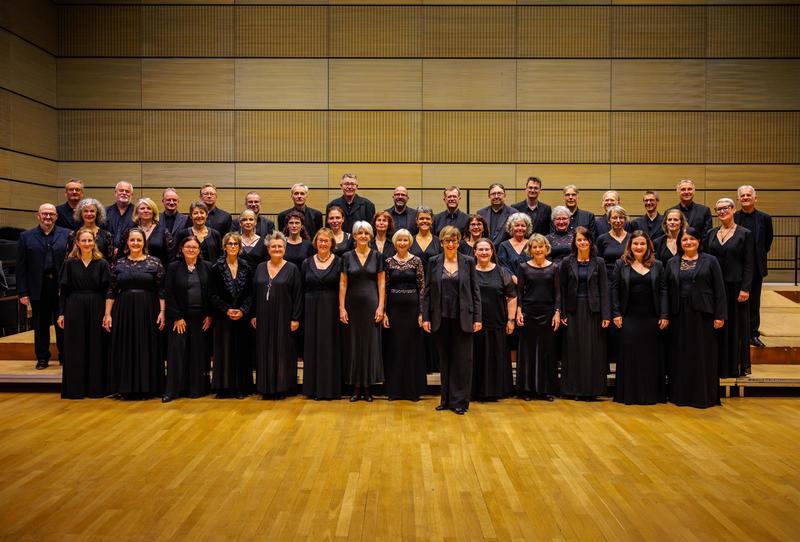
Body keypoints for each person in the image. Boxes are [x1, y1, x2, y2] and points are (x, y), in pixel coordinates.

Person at [423, 226, 482, 415]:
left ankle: (460, 402)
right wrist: (425, 317)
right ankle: (445, 399)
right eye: (447, 241)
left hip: (463, 318)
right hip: (440, 318)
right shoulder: (433, 262)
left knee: (462, 361)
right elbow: (427, 292)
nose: (450, 244)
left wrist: (478, 318)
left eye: (454, 240)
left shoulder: (468, 261)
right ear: (441, 243)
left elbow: (475, 292)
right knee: (445, 360)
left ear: (458, 242)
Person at [665, 227, 726, 408]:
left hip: (703, 315)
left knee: (702, 354)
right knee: (680, 354)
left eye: (692, 239)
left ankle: (703, 396)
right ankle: (680, 396)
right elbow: (666, 290)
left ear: (699, 241)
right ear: (680, 243)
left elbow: (720, 290)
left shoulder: (711, 261)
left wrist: (720, 315)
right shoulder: (672, 262)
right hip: (679, 315)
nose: (688, 242)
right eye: (684, 240)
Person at [104, 227, 166, 399]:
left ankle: (148, 387)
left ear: (144, 242)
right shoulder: (119, 263)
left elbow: (162, 290)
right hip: (123, 310)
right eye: (132, 240)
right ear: (127, 242)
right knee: (126, 346)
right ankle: (125, 387)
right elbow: (111, 290)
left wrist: (162, 312)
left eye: (139, 240)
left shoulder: (155, 262)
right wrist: (107, 314)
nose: (136, 243)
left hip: (149, 308)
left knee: (147, 346)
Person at [610, 232, 669, 405]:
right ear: (630, 245)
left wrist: (664, 314)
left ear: (648, 246)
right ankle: (629, 394)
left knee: (650, 356)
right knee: (629, 355)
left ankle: (651, 394)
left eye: (642, 244)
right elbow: (614, 290)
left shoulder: (657, 265)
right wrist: (616, 313)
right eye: (635, 243)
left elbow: (664, 290)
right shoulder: (621, 264)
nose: (639, 247)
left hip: (652, 318)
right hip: (629, 317)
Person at [57, 227, 111, 398]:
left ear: (94, 242)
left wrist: (107, 313)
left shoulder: (102, 263)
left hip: (97, 305)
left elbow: (108, 290)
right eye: (84, 241)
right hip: (74, 306)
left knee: (96, 346)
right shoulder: (69, 263)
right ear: (77, 243)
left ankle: (96, 389)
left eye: (90, 240)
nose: (87, 244)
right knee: (75, 346)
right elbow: (63, 290)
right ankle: (75, 389)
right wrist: (61, 313)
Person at [17, 204, 70, 369]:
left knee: (62, 323)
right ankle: (42, 357)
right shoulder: (26, 236)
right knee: (40, 324)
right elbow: (21, 266)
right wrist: (23, 292)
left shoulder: (67, 234)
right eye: (45, 214)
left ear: (56, 216)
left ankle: (64, 356)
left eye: (51, 214)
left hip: (60, 285)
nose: (48, 217)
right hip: (38, 286)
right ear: (38, 216)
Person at [705, 198, 754, 378]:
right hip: (715, 289)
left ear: (733, 209)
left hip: (736, 288)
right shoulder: (711, 233)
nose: (722, 212)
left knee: (735, 327)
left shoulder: (745, 234)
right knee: (718, 326)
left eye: (725, 208)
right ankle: (717, 366)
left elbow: (750, 263)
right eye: (719, 209)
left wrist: (746, 288)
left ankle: (733, 366)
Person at [559, 226, 610, 400]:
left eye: (585, 239)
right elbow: (562, 289)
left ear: (590, 241)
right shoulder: (567, 262)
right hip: (573, 311)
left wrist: (606, 315)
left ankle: (592, 389)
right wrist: (563, 313)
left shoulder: (599, 262)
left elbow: (604, 289)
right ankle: (573, 389)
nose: (582, 242)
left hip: (593, 311)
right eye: (578, 240)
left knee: (592, 349)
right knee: (574, 349)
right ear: (575, 242)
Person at [163, 236, 213, 403]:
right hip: (179, 318)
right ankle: (173, 390)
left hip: (200, 318)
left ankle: (196, 389)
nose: (191, 249)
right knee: (177, 353)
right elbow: (168, 293)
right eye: (188, 247)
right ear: (182, 249)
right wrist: (177, 317)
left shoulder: (207, 267)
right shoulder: (173, 267)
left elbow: (211, 293)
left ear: (199, 250)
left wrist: (209, 315)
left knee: (197, 354)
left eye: (194, 247)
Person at [252, 233, 302, 399]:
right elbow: (253, 293)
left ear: (285, 249)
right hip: (263, 315)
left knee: (282, 351)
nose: (277, 249)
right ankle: (265, 388)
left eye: (280, 246)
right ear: (268, 249)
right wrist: (253, 314)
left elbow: (298, 296)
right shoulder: (260, 267)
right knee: (264, 350)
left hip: (284, 316)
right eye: (273, 246)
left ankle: (282, 388)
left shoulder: (292, 268)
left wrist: (295, 318)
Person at [339, 221, 385, 402]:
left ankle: (368, 387)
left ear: (370, 236)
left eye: (366, 233)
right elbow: (343, 283)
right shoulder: (346, 256)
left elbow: (381, 283)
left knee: (370, 345)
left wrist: (381, 306)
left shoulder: (377, 256)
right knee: (354, 345)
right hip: (352, 306)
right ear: (355, 236)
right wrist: (341, 307)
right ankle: (356, 387)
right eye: (360, 233)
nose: (363, 236)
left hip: (371, 305)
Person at [382, 229, 427, 401]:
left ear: (410, 242)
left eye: (405, 240)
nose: (402, 243)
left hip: (412, 309)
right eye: (399, 240)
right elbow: (384, 288)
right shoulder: (388, 262)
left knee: (411, 348)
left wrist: (422, 312)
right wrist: (385, 311)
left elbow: (422, 287)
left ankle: (412, 390)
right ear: (394, 242)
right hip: (393, 309)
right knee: (395, 348)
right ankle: (394, 390)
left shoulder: (416, 261)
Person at [516, 234, 561, 401]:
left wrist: (557, 312)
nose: (538, 249)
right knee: (528, 352)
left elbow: (558, 293)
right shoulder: (523, 267)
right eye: (534, 247)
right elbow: (519, 292)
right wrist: (519, 311)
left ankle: (546, 389)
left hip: (548, 313)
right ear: (530, 250)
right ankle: (527, 389)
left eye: (540, 246)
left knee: (547, 352)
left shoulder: (554, 268)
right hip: (528, 313)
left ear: (546, 248)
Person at [210, 232, 254, 399]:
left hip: (241, 317)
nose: (233, 247)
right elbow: (212, 293)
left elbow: (251, 293)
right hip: (223, 317)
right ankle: (223, 388)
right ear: (224, 247)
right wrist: (226, 310)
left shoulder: (246, 266)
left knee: (241, 351)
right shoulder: (216, 267)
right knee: (224, 351)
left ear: (240, 247)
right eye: (230, 244)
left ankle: (241, 388)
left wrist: (243, 310)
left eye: (236, 244)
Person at [472, 238, 516, 401]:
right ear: (475, 252)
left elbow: (511, 297)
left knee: (496, 355)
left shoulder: (501, 272)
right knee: (477, 356)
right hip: (475, 323)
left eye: (487, 250)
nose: (484, 253)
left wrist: (511, 320)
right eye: (480, 250)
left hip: (497, 321)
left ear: (492, 252)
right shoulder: (469, 271)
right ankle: (476, 390)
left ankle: (496, 390)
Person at [301, 228, 342, 400]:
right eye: (320, 240)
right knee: (312, 346)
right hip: (311, 308)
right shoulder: (306, 263)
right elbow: (302, 287)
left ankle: (330, 389)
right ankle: (313, 389)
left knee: (330, 346)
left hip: (332, 308)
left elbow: (343, 287)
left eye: (326, 241)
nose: (323, 243)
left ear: (332, 243)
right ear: (315, 242)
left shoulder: (339, 262)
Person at [734, 185, 773, 347]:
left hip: (756, 266)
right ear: (738, 199)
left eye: (748, 195)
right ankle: (738, 334)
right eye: (742, 196)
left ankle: (752, 334)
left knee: (754, 301)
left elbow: (767, 242)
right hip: (737, 267)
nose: (745, 198)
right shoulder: (734, 217)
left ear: (755, 198)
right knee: (737, 301)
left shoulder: (765, 218)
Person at [132, 197, 172, 266]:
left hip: (157, 271)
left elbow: (170, 255)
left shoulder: (163, 231)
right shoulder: (131, 231)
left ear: (153, 212)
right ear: (137, 212)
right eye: (142, 208)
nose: (145, 210)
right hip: (134, 270)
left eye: (149, 208)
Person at [596, 206, 632, 277]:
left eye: (621, 217)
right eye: (614, 218)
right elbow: (598, 263)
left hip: (628, 278)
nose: (618, 221)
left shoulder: (632, 238)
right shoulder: (601, 239)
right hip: (608, 279)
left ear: (625, 220)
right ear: (609, 220)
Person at [497, 213, 532, 281]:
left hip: (530, 284)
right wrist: (515, 279)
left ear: (527, 228)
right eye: (517, 225)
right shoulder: (503, 246)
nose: (520, 228)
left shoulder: (532, 244)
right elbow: (502, 266)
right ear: (511, 227)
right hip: (510, 285)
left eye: (523, 226)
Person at [106, 181, 135, 252]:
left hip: (129, 254)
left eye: (127, 191)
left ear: (132, 194)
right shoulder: (105, 212)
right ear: (116, 193)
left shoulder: (137, 212)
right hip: (107, 254)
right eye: (121, 190)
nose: (124, 193)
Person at [410, 206, 441, 270]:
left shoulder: (438, 241)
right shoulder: (410, 241)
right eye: (421, 218)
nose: (424, 221)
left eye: (427, 218)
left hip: (433, 278)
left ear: (432, 221)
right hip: (413, 278)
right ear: (417, 221)